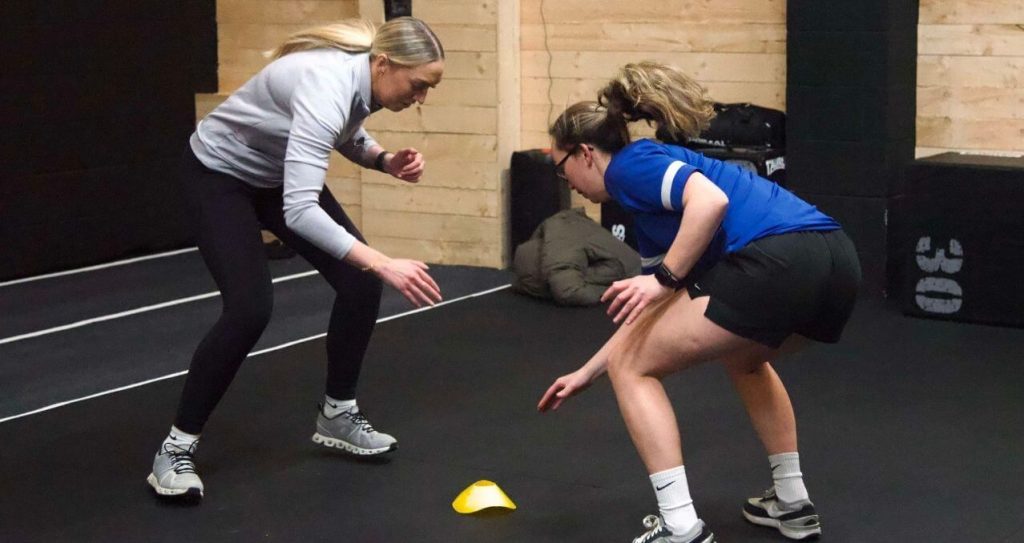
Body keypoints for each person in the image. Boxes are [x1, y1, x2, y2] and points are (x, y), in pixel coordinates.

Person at [537, 61, 860, 543]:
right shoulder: (648, 201)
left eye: (563, 169)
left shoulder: (631, 165)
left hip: (777, 259)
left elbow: (709, 203)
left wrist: (665, 279)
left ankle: (680, 527)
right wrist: (587, 371)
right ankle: (793, 502)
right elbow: (649, 314)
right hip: (835, 261)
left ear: (585, 153)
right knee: (745, 360)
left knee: (633, 369)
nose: (569, 185)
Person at [147, 17, 446, 502]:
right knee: (249, 309)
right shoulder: (325, 84)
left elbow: (345, 132)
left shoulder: (359, 80)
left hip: (271, 176)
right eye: (418, 86)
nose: (421, 98)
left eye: (429, 89)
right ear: (385, 63)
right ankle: (174, 449)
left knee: (358, 283)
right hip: (217, 176)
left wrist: (382, 159)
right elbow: (302, 211)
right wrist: (383, 260)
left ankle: (337, 413)